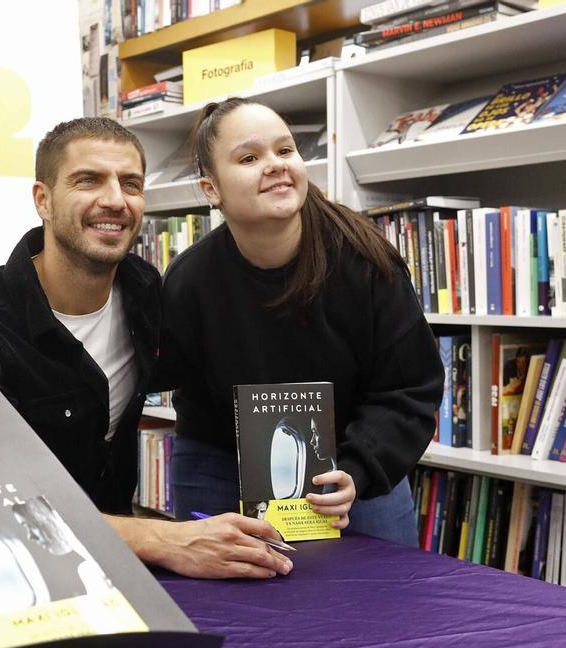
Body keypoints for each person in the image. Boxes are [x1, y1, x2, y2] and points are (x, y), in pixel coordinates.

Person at [0, 116, 292, 580]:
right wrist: (162, 538)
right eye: (88, 180)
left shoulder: (146, 292)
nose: (115, 200)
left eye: (131, 184)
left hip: (120, 568)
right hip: (14, 568)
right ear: (43, 199)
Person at [158, 98, 443, 546]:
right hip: (220, 459)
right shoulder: (190, 279)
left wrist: (358, 468)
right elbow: (165, 374)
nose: (274, 165)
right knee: (228, 611)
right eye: (250, 158)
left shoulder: (365, 262)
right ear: (211, 189)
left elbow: (410, 386)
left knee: (379, 609)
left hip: (351, 462)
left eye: (285, 151)